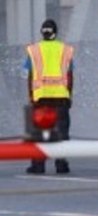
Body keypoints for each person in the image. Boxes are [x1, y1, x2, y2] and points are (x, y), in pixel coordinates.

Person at [24, 19, 74, 175]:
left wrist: (31, 95)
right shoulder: (65, 50)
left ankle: (38, 165)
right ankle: (61, 164)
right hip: (61, 96)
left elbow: (30, 75)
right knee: (61, 131)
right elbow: (69, 75)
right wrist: (69, 94)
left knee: (39, 132)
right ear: (56, 32)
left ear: (42, 32)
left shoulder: (34, 50)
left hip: (41, 97)